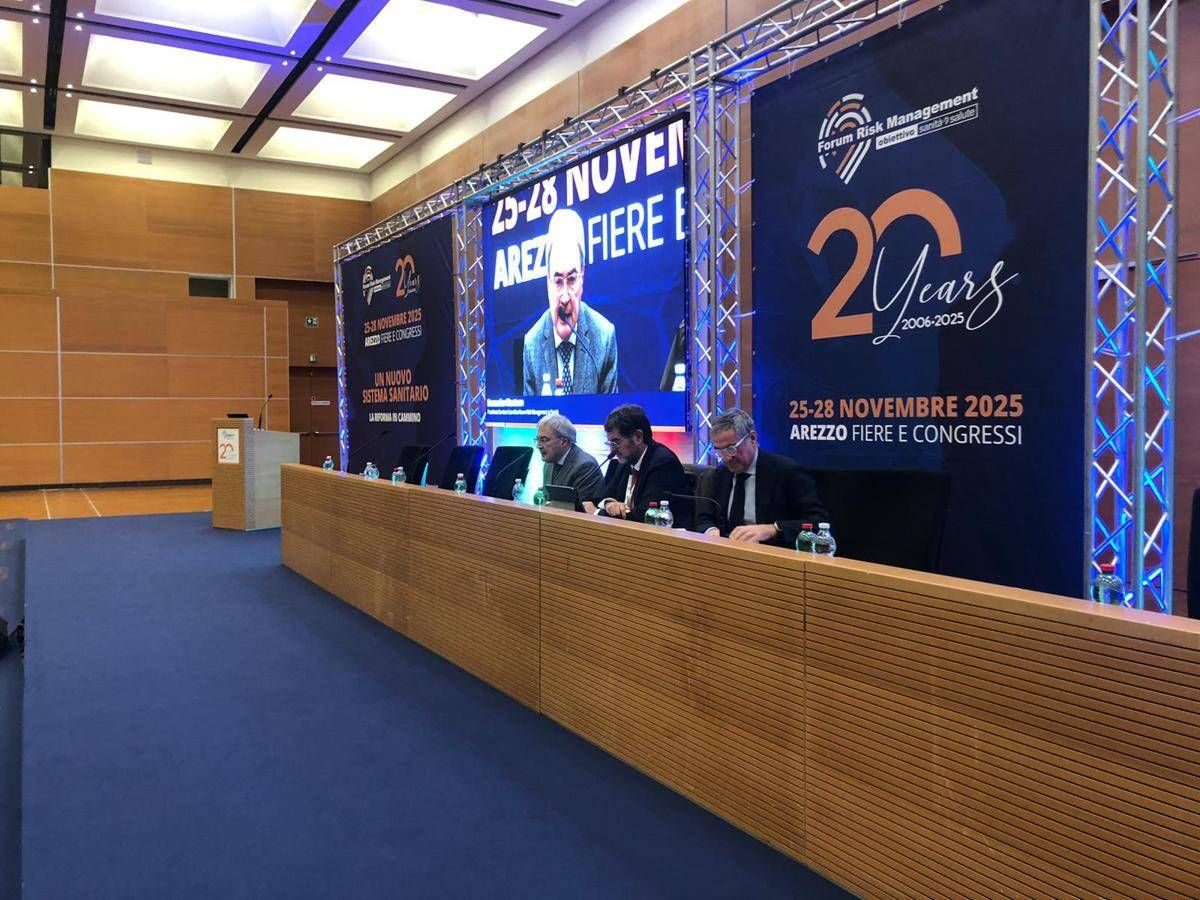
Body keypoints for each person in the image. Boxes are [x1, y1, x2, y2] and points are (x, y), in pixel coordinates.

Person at [694, 408, 827, 547]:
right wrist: (710, 530)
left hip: (772, 553)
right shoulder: (720, 474)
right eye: (720, 451)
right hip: (728, 552)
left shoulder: (787, 472)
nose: (726, 458)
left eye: (731, 449)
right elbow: (704, 518)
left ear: (752, 438)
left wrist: (774, 529)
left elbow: (818, 522)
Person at [522, 208, 618, 396]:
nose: (565, 297)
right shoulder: (532, 344)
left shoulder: (604, 337)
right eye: (558, 281)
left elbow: (612, 413)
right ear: (548, 283)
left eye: (572, 279)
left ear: (582, 276)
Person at [595, 404, 691, 527]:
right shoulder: (626, 460)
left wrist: (598, 513)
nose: (612, 450)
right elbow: (604, 496)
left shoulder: (663, 463)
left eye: (616, 442)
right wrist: (610, 504)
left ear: (638, 437)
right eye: (610, 443)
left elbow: (646, 515)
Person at [536, 413, 603, 502]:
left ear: (564, 441)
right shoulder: (549, 463)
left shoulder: (585, 466)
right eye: (537, 440)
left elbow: (585, 507)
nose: (538, 446)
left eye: (544, 440)